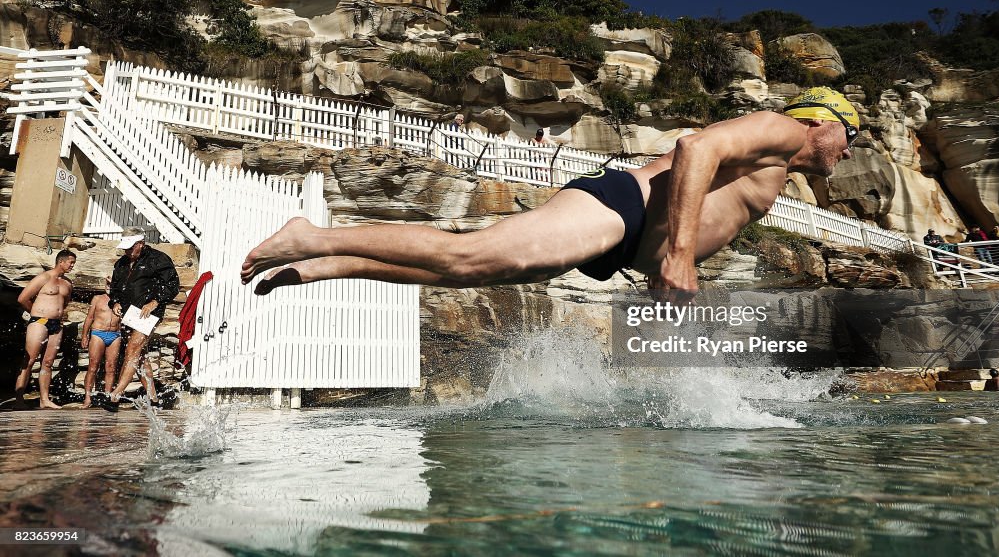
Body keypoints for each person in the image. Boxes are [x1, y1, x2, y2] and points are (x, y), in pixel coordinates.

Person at [241, 87, 859, 298]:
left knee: (465, 274)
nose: (850, 149)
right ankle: (311, 235)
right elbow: (697, 149)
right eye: (850, 134)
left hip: (627, 241)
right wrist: (676, 256)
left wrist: (666, 260)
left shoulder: (776, 168)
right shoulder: (783, 130)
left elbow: (708, 197)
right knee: (471, 254)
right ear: (820, 121)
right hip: (621, 208)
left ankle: (333, 264)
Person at [101, 228, 180, 412]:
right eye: (125, 248)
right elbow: (115, 287)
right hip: (128, 314)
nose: (127, 252)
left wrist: (155, 301)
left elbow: (172, 285)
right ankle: (153, 399)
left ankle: (115, 397)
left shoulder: (158, 259)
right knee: (139, 356)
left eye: (130, 248)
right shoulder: (122, 263)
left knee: (132, 350)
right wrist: (115, 302)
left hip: (148, 313)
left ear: (140, 244)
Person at [13, 249, 76, 409]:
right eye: (71, 262)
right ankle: (19, 399)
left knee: (47, 363)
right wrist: (35, 311)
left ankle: (44, 399)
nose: (72, 265)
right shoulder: (44, 277)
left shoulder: (67, 283)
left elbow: (65, 302)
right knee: (29, 360)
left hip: (56, 325)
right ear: (61, 261)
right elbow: (22, 298)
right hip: (39, 321)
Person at [80, 278, 122, 408]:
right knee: (93, 366)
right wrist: (84, 336)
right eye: (107, 284)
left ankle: (107, 397)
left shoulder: (121, 299)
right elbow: (90, 317)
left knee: (111, 368)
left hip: (115, 335)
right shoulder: (97, 299)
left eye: (112, 284)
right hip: (98, 333)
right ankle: (87, 397)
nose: (109, 286)